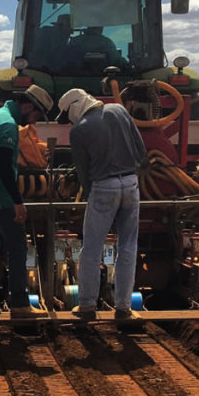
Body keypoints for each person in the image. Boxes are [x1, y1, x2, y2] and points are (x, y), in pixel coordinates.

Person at [57, 88, 146, 320]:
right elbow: (141, 150)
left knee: (92, 248)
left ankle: (87, 306)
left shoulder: (79, 131)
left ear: (75, 107)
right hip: (130, 182)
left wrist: (90, 193)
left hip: (103, 186)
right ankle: (123, 307)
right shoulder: (119, 110)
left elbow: (83, 171)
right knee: (128, 245)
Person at [0, 85, 54, 319]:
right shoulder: (7, 125)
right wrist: (18, 201)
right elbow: (5, 168)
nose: (33, 122)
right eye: (35, 116)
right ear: (27, 106)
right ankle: (19, 304)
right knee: (18, 248)